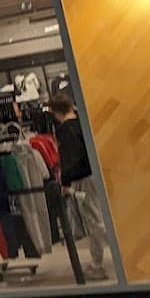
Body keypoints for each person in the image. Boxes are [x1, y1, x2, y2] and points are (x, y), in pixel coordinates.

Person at [51, 94, 112, 279]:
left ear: (56, 112)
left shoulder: (64, 130)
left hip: (82, 177)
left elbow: (70, 157)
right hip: (94, 173)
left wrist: (65, 182)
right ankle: (97, 262)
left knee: (94, 221)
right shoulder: (82, 122)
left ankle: (99, 264)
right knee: (98, 217)